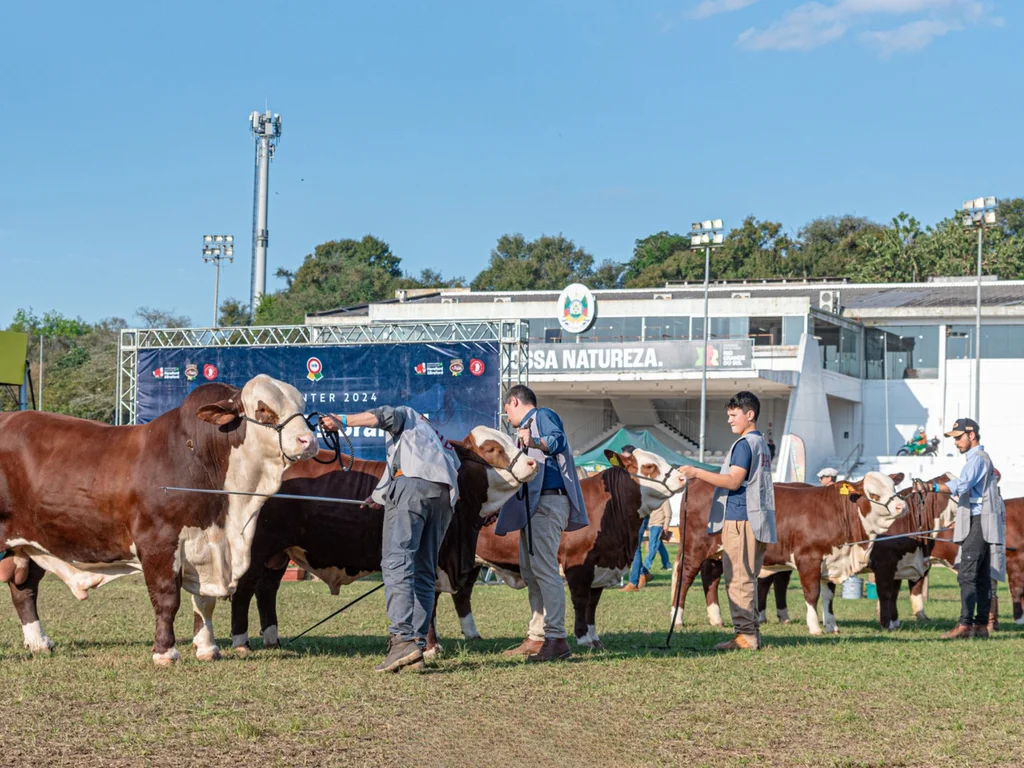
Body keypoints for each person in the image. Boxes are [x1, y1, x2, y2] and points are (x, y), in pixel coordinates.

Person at [320, 406, 459, 672]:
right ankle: (416, 645)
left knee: (397, 563)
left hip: (411, 487)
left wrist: (343, 421)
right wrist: (379, 497)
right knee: (423, 571)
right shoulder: (434, 436)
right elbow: (407, 467)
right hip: (443, 496)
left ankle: (402, 642)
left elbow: (384, 415)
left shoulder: (407, 414)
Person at [676, 391, 776, 651]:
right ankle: (750, 632)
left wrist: (697, 472)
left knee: (738, 579)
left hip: (741, 519)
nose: (730, 421)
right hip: (758, 519)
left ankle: (746, 636)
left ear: (749, 414)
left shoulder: (744, 444)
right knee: (748, 578)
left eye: (733, 415)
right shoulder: (761, 443)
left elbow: (733, 480)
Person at [497, 385, 588, 662]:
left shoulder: (542, 416)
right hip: (534, 505)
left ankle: (556, 638)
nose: (507, 416)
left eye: (507, 410)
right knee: (532, 570)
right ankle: (537, 637)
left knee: (545, 570)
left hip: (547, 503)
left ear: (514, 402)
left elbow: (558, 441)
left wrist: (532, 440)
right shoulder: (530, 425)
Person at [914, 418, 1005, 640]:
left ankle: (965, 625)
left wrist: (931, 487)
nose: (955, 442)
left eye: (958, 437)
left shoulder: (977, 459)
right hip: (981, 520)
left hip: (979, 521)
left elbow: (962, 485)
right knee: (982, 575)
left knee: (966, 574)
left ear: (971, 435)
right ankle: (981, 626)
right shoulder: (980, 459)